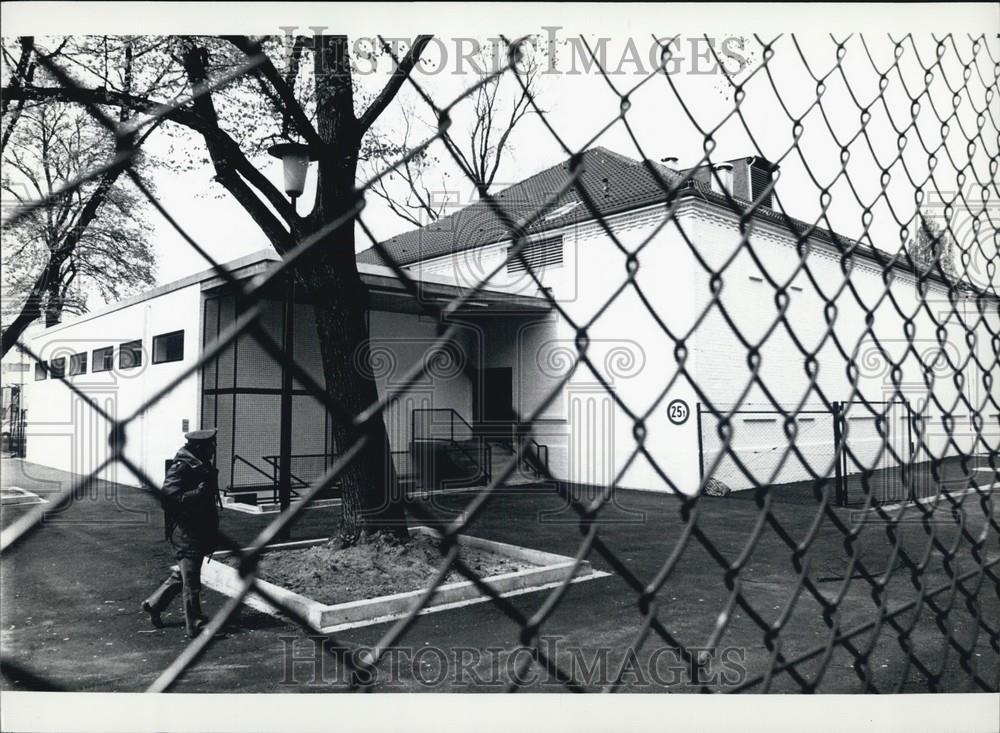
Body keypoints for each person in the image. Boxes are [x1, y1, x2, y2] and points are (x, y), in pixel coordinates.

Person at [141, 428, 222, 638]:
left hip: (197, 530)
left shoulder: (200, 464)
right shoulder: (182, 467)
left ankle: (155, 604)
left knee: (184, 574)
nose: (213, 449)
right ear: (198, 447)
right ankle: (195, 626)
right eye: (210, 445)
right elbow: (168, 497)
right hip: (186, 532)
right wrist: (199, 492)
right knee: (192, 581)